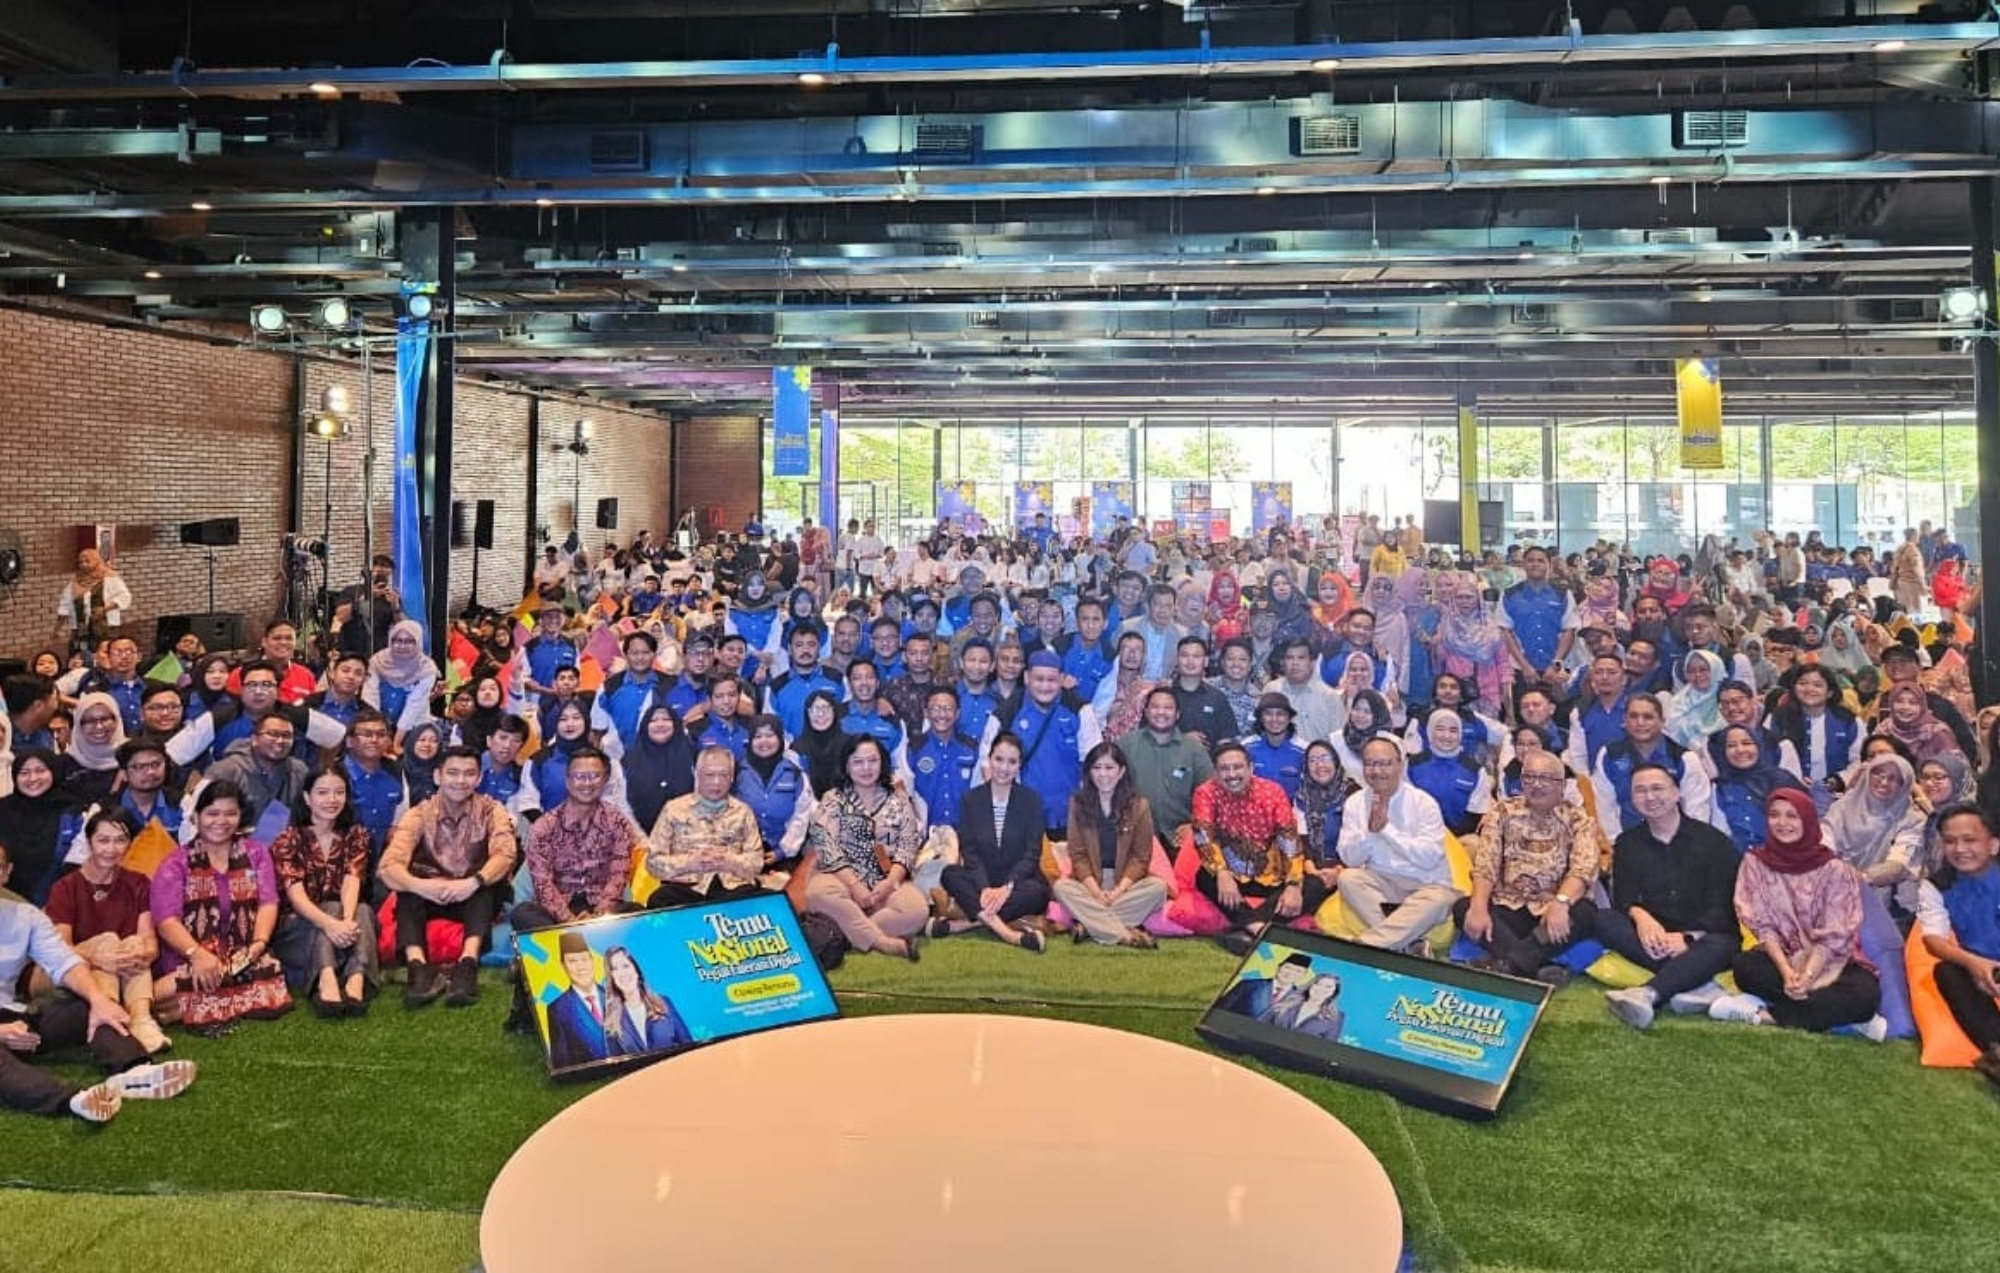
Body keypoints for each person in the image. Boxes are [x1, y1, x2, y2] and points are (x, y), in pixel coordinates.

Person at [1, 888, 195, 1122]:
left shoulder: (26, 916)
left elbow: (64, 962)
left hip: (11, 1015)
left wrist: (98, 1000)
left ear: (6, 874)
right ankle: (71, 1100)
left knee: (88, 1004)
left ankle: (133, 1069)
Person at [1708, 789, 1884, 1037]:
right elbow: (1763, 926)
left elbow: (1835, 935)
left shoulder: (1835, 869)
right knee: (1746, 966)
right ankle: (1844, 1018)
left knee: (1865, 995)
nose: (1782, 823)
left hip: (1832, 961)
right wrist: (1788, 972)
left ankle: (1764, 1016)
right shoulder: (1755, 862)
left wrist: (1808, 977)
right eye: (1774, 815)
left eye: (1792, 816)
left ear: (1808, 820)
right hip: (1782, 958)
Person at [1600, 764, 1743, 1031]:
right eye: (1640, 791)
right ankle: (1695, 982)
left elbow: (1724, 906)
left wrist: (1688, 938)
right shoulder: (1628, 843)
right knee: (1604, 918)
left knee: (1724, 944)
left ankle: (1648, 994)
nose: (1650, 797)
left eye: (1657, 788)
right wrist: (1641, 918)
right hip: (1654, 937)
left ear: (1677, 793)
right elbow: (1624, 897)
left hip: (1702, 936)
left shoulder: (1714, 842)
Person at [378, 746, 520, 1009]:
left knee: (486, 884)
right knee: (406, 888)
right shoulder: (419, 813)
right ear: (438, 776)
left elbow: (506, 854)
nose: (460, 781)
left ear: (479, 778)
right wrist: (422, 886)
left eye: (469, 774)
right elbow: (388, 866)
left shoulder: (492, 810)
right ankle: (418, 967)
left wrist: (472, 882)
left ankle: (467, 965)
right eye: (452, 773)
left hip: (472, 894)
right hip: (430, 893)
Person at [149, 781, 290, 1033]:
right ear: (196, 816)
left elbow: (268, 903)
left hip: (243, 956)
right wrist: (197, 955)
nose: (221, 821)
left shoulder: (256, 853)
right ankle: (185, 1003)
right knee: (164, 991)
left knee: (268, 970)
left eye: (230, 814)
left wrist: (259, 944)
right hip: (189, 957)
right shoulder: (175, 863)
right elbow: (166, 921)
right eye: (212, 813)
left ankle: (179, 1009)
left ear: (240, 817)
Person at [1456, 751, 1604, 982]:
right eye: (1529, 777)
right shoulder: (1503, 812)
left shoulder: (1578, 819)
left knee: (1585, 913)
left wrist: (1561, 903)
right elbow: (1486, 864)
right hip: (1508, 905)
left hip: (1553, 914)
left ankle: (1508, 966)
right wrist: (1478, 907)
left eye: (1545, 778)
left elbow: (1583, 868)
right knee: (1463, 907)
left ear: (1562, 785)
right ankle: (1534, 968)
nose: (1536, 784)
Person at [1184, 742, 1327, 955]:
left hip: (1272, 875)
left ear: (1251, 768)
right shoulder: (1205, 793)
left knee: (1314, 885)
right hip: (1231, 876)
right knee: (1204, 876)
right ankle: (1262, 932)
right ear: (1216, 772)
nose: (1232, 774)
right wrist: (1222, 872)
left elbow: (1289, 839)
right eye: (1224, 769)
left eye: (1238, 767)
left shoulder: (1272, 792)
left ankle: (1247, 930)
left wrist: (1293, 884)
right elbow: (1203, 837)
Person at [45, 810, 170, 1054]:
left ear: (129, 843)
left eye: (120, 840)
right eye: (103, 840)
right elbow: (61, 948)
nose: (111, 849)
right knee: (109, 940)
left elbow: (149, 941)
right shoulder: (65, 886)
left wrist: (141, 955)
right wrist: (97, 958)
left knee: (134, 943)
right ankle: (115, 1019)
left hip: (121, 969)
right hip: (73, 968)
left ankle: (141, 1020)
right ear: (89, 842)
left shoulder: (139, 883)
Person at [267, 767, 379, 1017]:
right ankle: (326, 980)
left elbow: (352, 881)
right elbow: (296, 898)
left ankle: (356, 980)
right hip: (297, 930)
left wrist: (346, 923)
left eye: (339, 792)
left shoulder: (356, 835)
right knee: (330, 907)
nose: (332, 799)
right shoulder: (287, 840)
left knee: (360, 909)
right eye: (323, 792)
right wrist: (332, 924)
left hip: (343, 932)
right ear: (307, 797)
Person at [803, 737, 926, 959]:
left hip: (885, 881)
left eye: (872, 760)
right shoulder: (833, 799)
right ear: (847, 766)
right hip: (841, 879)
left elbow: (908, 846)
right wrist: (855, 886)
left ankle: (848, 933)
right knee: (818, 893)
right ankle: (883, 943)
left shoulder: (898, 799)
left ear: (882, 763)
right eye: (858, 762)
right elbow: (825, 846)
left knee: (917, 910)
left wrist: (889, 883)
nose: (866, 768)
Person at [1335, 737, 1462, 953]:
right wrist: (1370, 833)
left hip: (1426, 884)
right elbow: (1350, 859)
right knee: (1348, 879)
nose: (1377, 771)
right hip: (1382, 882)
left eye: (1384, 764)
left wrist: (1387, 829)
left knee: (1439, 899)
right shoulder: (1355, 802)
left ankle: (1365, 946)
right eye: (1370, 764)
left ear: (1400, 765)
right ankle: (1410, 944)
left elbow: (1429, 859)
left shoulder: (1423, 802)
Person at [930, 734, 1050, 952]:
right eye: (999, 759)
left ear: (1019, 766)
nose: (1004, 768)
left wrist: (1006, 888)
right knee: (949, 874)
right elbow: (970, 851)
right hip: (981, 880)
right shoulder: (970, 799)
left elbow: (1032, 854)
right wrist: (985, 888)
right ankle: (1010, 935)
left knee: (1038, 892)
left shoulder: (1031, 801)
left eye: (1012, 762)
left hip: (1017, 882)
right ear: (989, 759)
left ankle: (964, 924)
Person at [1916, 803, 2000, 1086]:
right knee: (1948, 971)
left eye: (1970, 840)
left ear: (1993, 845)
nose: (1960, 849)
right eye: (1950, 841)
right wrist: (1974, 964)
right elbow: (1932, 940)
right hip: (1985, 971)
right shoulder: (1936, 885)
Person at [1055, 741, 1167, 948]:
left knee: (1158, 888)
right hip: (1090, 882)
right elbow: (1078, 856)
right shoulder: (1077, 804)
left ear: (1121, 771)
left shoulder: (1139, 806)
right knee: (1061, 888)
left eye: (1109, 767)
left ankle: (1089, 926)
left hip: (1126, 884)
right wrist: (1096, 892)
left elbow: (1141, 858)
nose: (1103, 774)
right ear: (1089, 773)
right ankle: (1125, 936)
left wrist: (1117, 892)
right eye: (1097, 768)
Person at [981, 650, 1102, 838]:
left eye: (1051, 680)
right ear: (1026, 678)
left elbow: (1095, 760)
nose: (1045, 686)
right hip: (1022, 816)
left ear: (1062, 679)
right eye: (1039, 679)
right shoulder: (1006, 713)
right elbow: (987, 763)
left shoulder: (1080, 710)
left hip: (1071, 815)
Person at [643, 747, 770, 908]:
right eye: (710, 775)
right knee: (660, 899)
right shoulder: (673, 809)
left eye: (723, 775)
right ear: (697, 774)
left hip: (733, 888)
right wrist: (690, 862)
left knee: (767, 901)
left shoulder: (743, 812)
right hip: (687, 888)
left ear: (731, 778)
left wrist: (728, 861)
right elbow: (653, 863)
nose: (716, 782)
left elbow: (756, 863)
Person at [1823, 752, 1926, 914]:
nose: (1884, 782)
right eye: (1878, 774)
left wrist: (1861, 878)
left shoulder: (1912, 819)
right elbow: (1824, 842)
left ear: (1904, 785)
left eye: (1894, 779)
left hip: (1887, 902)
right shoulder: (1843, 806)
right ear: (1868, 775)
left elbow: (1899, 865)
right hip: (1833, 889)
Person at [1116, 687, 1213, 846]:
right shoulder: (1126, 745)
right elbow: (1111, 788)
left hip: (1181, 836)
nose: (1161, 712)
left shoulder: (1193, 749)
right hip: (1135, 835)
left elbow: (1210, 792)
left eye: (1168, 708)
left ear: (1177, 714)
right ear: (1146, 712)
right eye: (1155, 707)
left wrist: (1195, 825)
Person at [1706, 724, 1809, 850]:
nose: (1740, 750)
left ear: (1759, 746)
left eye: (1747, 743)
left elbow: (1804, 825)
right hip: (1738, 858)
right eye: (1731, 745)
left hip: (1785, 855)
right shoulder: (1720, 788)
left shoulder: (1782, 780)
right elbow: (1721, 833)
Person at [1404, 710, 1494, 838]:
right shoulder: (1412, 765)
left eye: (1453, 730)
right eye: (1440, 729)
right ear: (1430, 731)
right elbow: (1405, 806)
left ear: (1460, 734)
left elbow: (1474, 816)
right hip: (1416, 836)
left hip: (1458, 840)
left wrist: (1448, 840)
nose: (1446, 736)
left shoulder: (1475, 771)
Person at [603, 945, 691, 1057]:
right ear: (611, 977)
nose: (622, 973)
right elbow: (617, 1064)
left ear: (636, 971)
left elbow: (688, 1046)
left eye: (626, 966)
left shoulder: (663, 1003)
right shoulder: (611, 1021)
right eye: (614, 969)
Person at [620, 704, 695, 833]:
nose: (660, 724)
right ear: (644, 726)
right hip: (639, 834)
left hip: (687, 831)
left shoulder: (692, 754)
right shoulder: (628, 759)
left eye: (666, 719)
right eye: (653, 720)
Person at [544, 931, 611, 1069]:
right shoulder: (557, 1009)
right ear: (563, 966)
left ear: (592, 961)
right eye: (572, 961)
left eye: (584, 959)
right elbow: (562, 1062)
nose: (581, 967)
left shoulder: (613, 996)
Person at [363, 619, 439, 742]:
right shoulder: (377, 661)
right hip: (379, 724)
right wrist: (377, 732)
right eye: (397, 640)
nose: (402, 646)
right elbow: (370, 697)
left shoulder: (426, 668)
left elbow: (415, 704)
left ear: (418, 642)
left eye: (409, 641)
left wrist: (396, 741)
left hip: (414, 726)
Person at [54, 547, 132, 654]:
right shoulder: (75, 581)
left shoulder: (109, 578)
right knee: (79, 656)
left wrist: (105, 609)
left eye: (87, 561)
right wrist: (57, 629)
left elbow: (124, 596)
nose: (83, 565)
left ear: (96, 561)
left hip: (105, 628)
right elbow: (65, 606)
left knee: (104, 654)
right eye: (81, 562)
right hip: (81, 630)